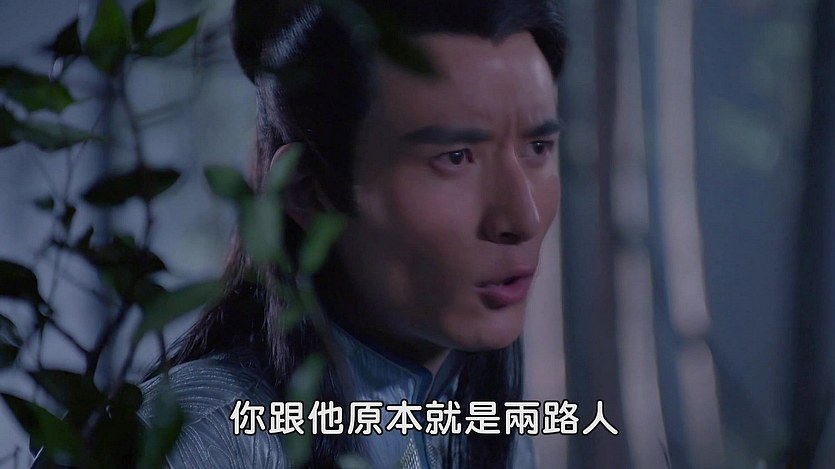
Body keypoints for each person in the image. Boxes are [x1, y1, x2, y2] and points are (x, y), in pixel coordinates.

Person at [139, 0, 567, 467]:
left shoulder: (486, 430)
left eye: (538, 147)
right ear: (308, 193)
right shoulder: (189, 444)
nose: (523, 217)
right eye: (456, 157)